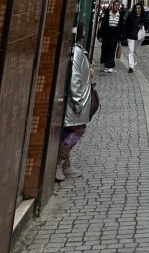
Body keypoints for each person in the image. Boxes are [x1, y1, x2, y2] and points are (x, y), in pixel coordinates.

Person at [57, 24, 93, 182]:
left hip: (76, 100)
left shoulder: (78, 50)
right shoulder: (76, 51)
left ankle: (65, 165)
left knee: (69, 132)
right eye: (83, 29)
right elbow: (74, 78)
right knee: (78, 130)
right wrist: (78, 103)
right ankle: (58, 162)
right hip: (74, 102)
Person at [97, 0, 124, 73]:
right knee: (104, 48)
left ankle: (109, 65)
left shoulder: (120, 15)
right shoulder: (107, 13)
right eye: (115, 5)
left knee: (112, 49)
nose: (116, 7)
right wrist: (101, 35)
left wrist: (120, 38)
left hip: (114, 34)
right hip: (106, 33)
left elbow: (121, 27)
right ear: (112, 6)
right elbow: (103, 25)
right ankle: (103, 63)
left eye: (118, 5)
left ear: (119, 6)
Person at [123, 2, 149, 73]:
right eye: (136, 8)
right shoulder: (131, 16)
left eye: (139, 8)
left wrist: (142, 26)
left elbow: (147, 26)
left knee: (136, 51)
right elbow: (126, 26)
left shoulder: (144, 17)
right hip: (131, 36)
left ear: (141, 9)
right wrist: (124, 36)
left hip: (139, 36)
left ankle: (133, 64)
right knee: (131, 50)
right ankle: (131, 66)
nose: (137, 9)